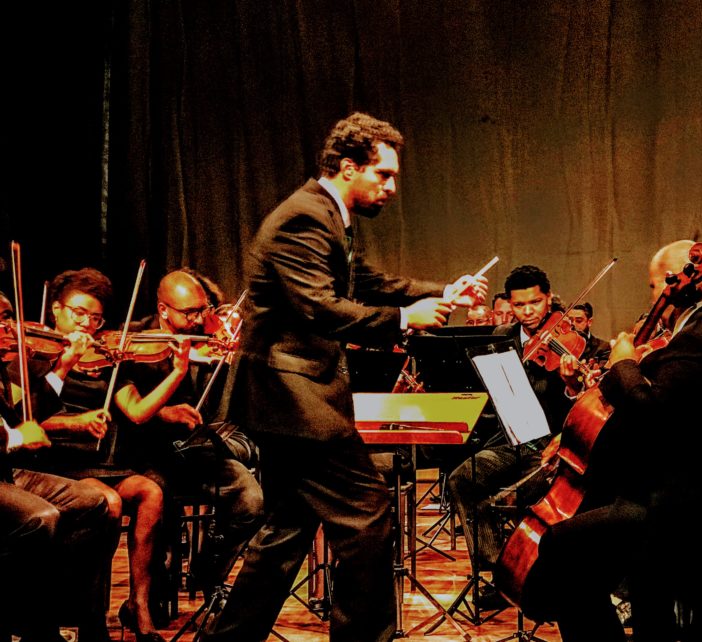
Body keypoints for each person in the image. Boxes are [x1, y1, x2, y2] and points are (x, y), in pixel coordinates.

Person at [198, 112, 486, 642]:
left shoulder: (327, 214)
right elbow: (319, 307)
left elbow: (364, 280)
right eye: (384, 174)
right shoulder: (305, 217)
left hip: (288, 399)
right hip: (294, 400)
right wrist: (405, 319)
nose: (392, 187)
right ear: (348, 167)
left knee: (286, 532)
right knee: (369, 518)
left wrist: (443, 292)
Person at [527, 240, 702, 641]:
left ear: (681, 280)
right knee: (590, 558)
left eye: (653, 285)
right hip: (689, 493)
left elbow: (651, 410)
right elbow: (671, 417)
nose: (654, 297)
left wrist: (624, 361)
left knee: (561, 545)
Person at [35, 267, 187, 642]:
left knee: (151, 492)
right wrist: (75, 422)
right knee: (109, 503)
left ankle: (139, 605)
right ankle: (92, 615)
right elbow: (27, 420)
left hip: (103, 461)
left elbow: (137, 411)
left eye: (96, 318)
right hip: (59, 463)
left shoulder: (105, 358)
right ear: (56, 309)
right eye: (79, 313)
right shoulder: (37, 355)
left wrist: (178, 373)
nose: (87, 324)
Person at [120, 270, 264, 599]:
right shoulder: (135, 340)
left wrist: (230, 359)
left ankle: (206, 572)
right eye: (190, 313)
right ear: (163, 309)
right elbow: (127, 409)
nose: (199, 320)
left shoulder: (202, 337)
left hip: (194, 449)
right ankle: (152, 593)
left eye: (203, 309)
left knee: (251, 501)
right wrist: (163, 412)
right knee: (157, 500)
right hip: (146, 453)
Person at [445, 265, 574, 610]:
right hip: (511, 440)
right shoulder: (501, 336)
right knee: (463, 479)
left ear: (549, 298)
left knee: (533, 493)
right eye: (519, 305)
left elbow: (581, 403)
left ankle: (541, 580)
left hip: (551, 445)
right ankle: (500, 573)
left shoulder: (569, 340)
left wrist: (572, 382)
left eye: (535, 302)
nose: (528, 312)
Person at [2, 364, 117, 642]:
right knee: (42, 517)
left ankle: (84, 622)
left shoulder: (8, 366)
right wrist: (17, 437)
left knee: (94, 504)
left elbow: (26, 414)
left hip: (7, 470)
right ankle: (34, 626)